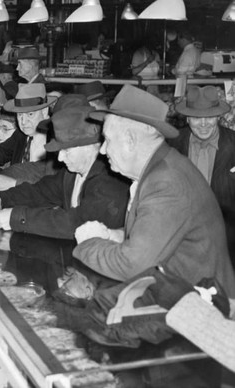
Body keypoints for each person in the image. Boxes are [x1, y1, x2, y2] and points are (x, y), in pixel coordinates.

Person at [73, 85, 235, 297]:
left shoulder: (165, 182)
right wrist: (116, 236)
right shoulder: (160, 168)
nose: (102, 150)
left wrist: (89, 242)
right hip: (183, 298)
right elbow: (161, 234)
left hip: (205, 313)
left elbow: (132, 265)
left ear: (130, 140)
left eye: (108, 140)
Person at [0, 106, 130, 239]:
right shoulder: (72, 173)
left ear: (92, 146)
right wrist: (0, 200)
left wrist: (16, 217)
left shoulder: (111, 181)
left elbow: (77, 222)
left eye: (66, 150)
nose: (60, 158)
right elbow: (39, 192)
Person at [170, 85, 235, 265]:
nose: (204, 123)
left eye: (210, 116)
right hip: (181, 243)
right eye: (197, 117)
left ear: (218, 116)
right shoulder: (171, 145)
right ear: (187, 118)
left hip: (227, 247)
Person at [0, 84, 57, 187]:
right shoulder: (21, 134)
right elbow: (2, 151)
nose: (23, 122)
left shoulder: (57, 139)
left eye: (30, 114)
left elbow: (48, 181)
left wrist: (6, 179)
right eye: (20, 115)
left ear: (44, 111)